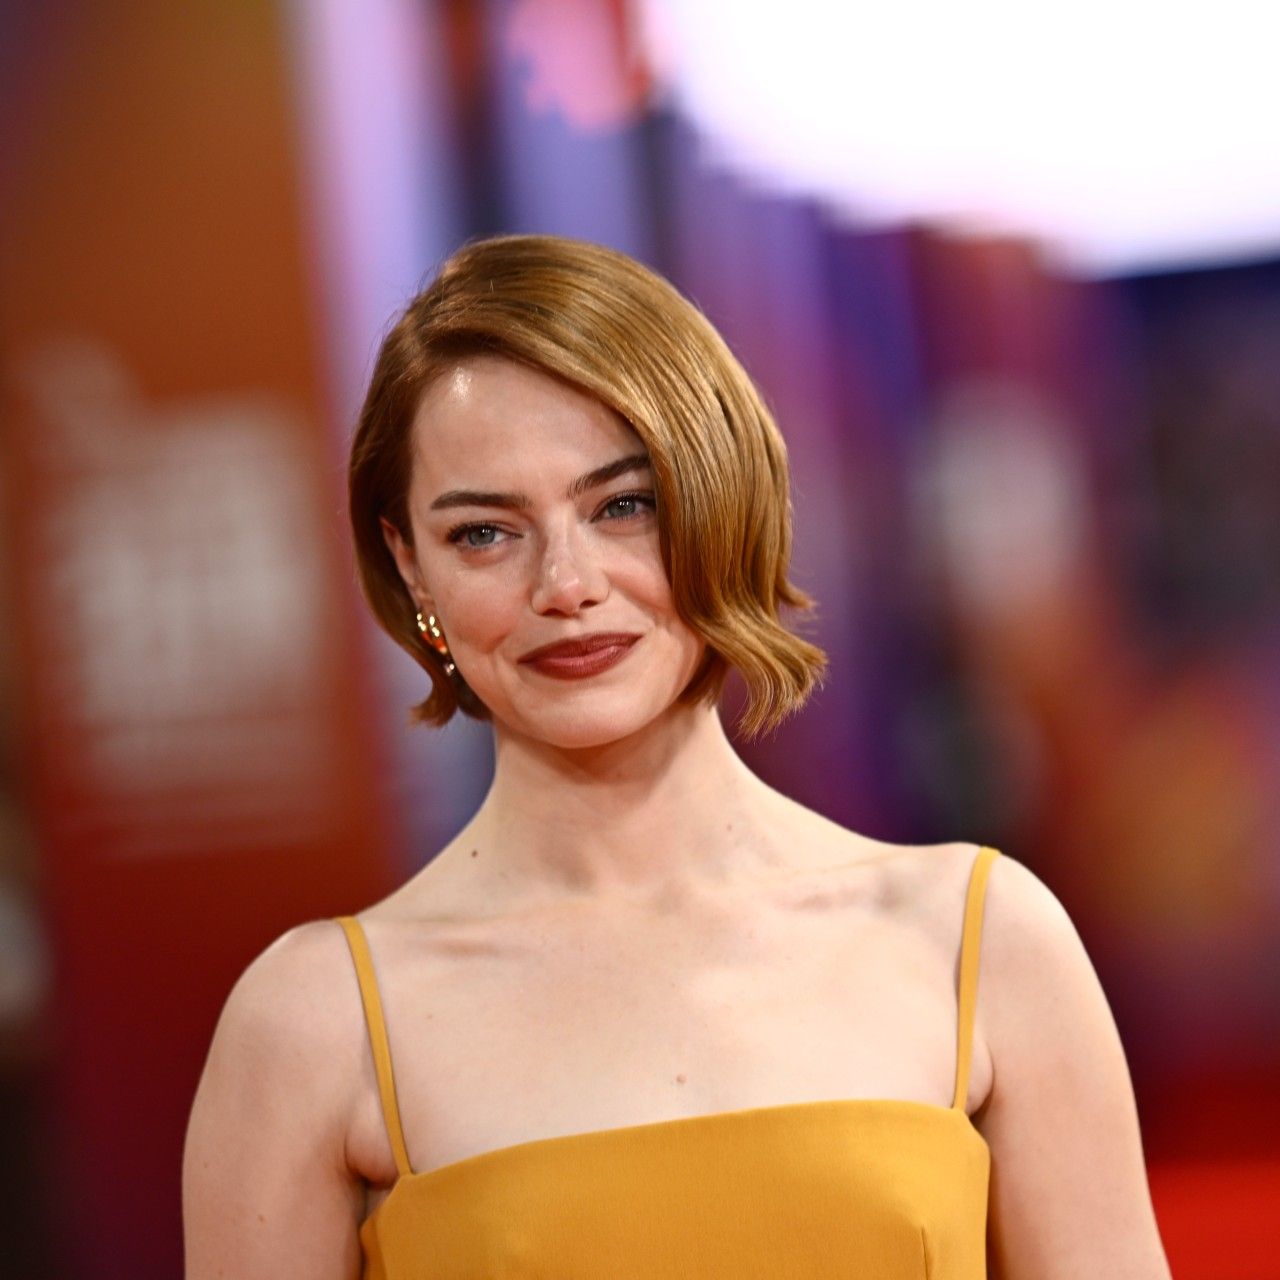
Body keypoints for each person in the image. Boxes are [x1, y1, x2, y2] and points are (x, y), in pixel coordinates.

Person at [182, 234, 1172, 1279]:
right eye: (484, 532)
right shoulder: (311, 1023)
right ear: (407, 564)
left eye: (622, 505)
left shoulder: (973, 938)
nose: (565, 582)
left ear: (723, 496)